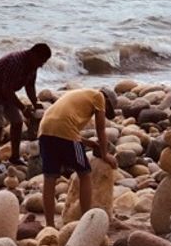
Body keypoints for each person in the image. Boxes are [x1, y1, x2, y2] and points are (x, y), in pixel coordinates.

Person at [38, 87, 117, 228]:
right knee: (85, 173)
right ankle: (85, 221)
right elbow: (100, 129)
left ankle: (49, 225)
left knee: (49, 178)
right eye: (107, 111)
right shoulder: (99, 96)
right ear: (108, 101)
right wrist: (105, 154)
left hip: (44, 130)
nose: (104, 113)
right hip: (66, 131)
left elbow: (61, 122)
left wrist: (87, 143)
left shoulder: (80, 94)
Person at [0, 43, 52, 172]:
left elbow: (30, 86)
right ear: (33, 55)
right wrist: (23, 108)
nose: (41, 65)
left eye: (44, 62)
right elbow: (7, 89)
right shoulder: (15, 62)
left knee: (17, 122)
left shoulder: (33, 65)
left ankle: (15, 156)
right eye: (41, 61)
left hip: (6, 94)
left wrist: (35, 102)